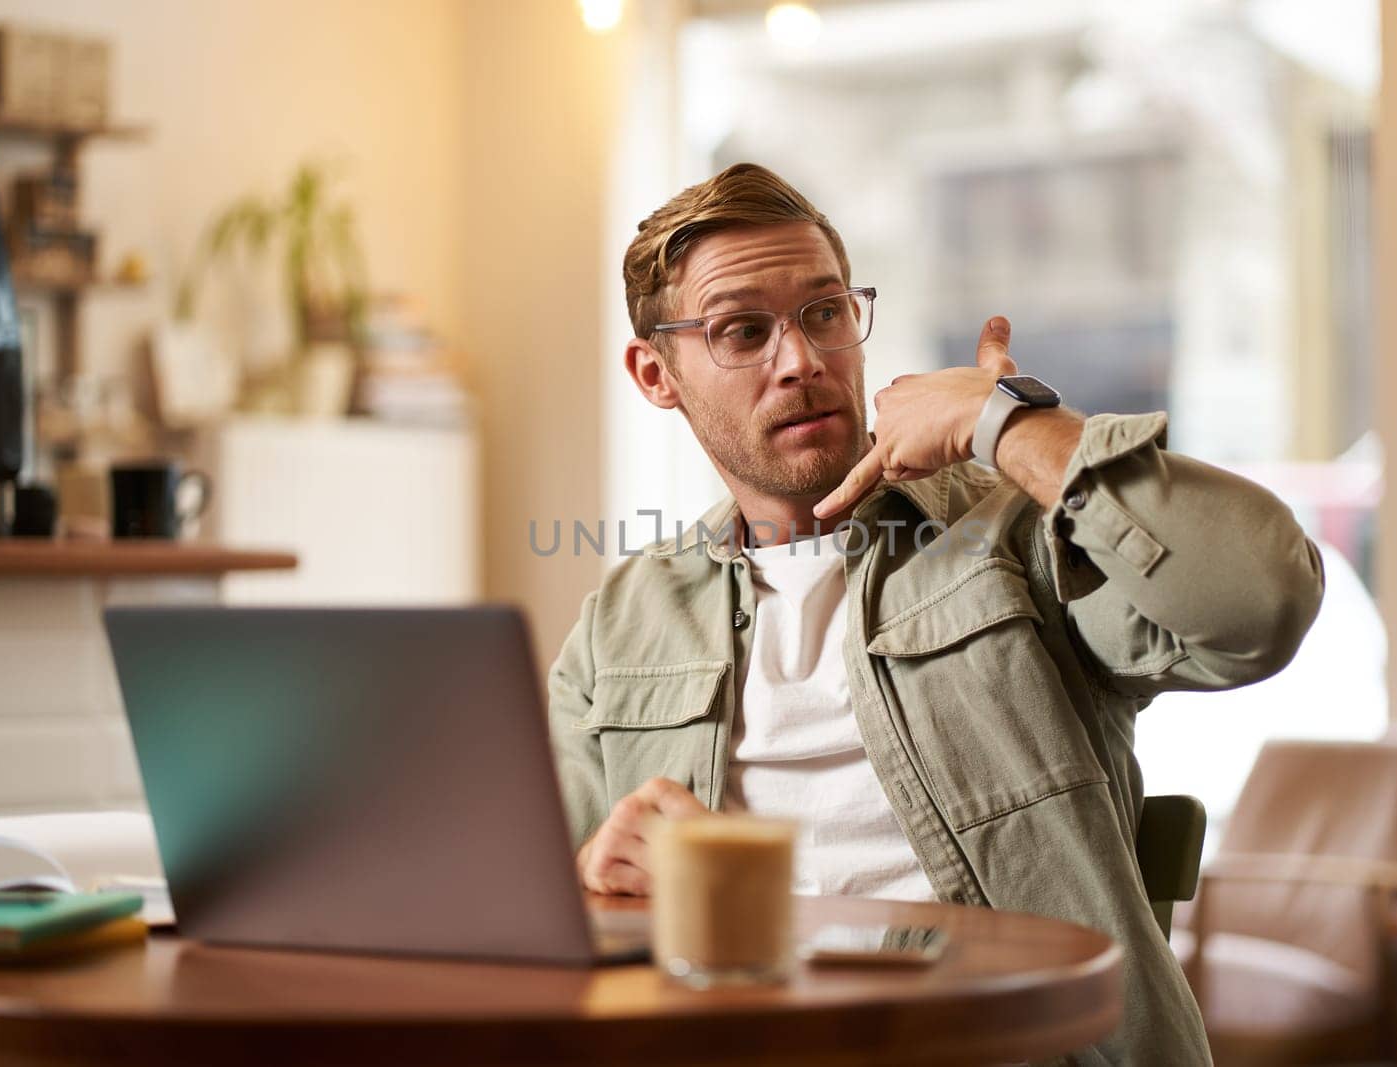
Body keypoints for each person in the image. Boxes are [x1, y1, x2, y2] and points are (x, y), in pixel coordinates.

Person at [547, 162, 1324, 1064]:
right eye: (742, 331)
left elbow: (1263, 599)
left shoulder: (1019, 535)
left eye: (825, 312)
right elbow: (521, 928)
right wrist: (590, 876)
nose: (800, 360)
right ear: (657, 374)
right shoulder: (622, 621)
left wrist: (1010, 426)